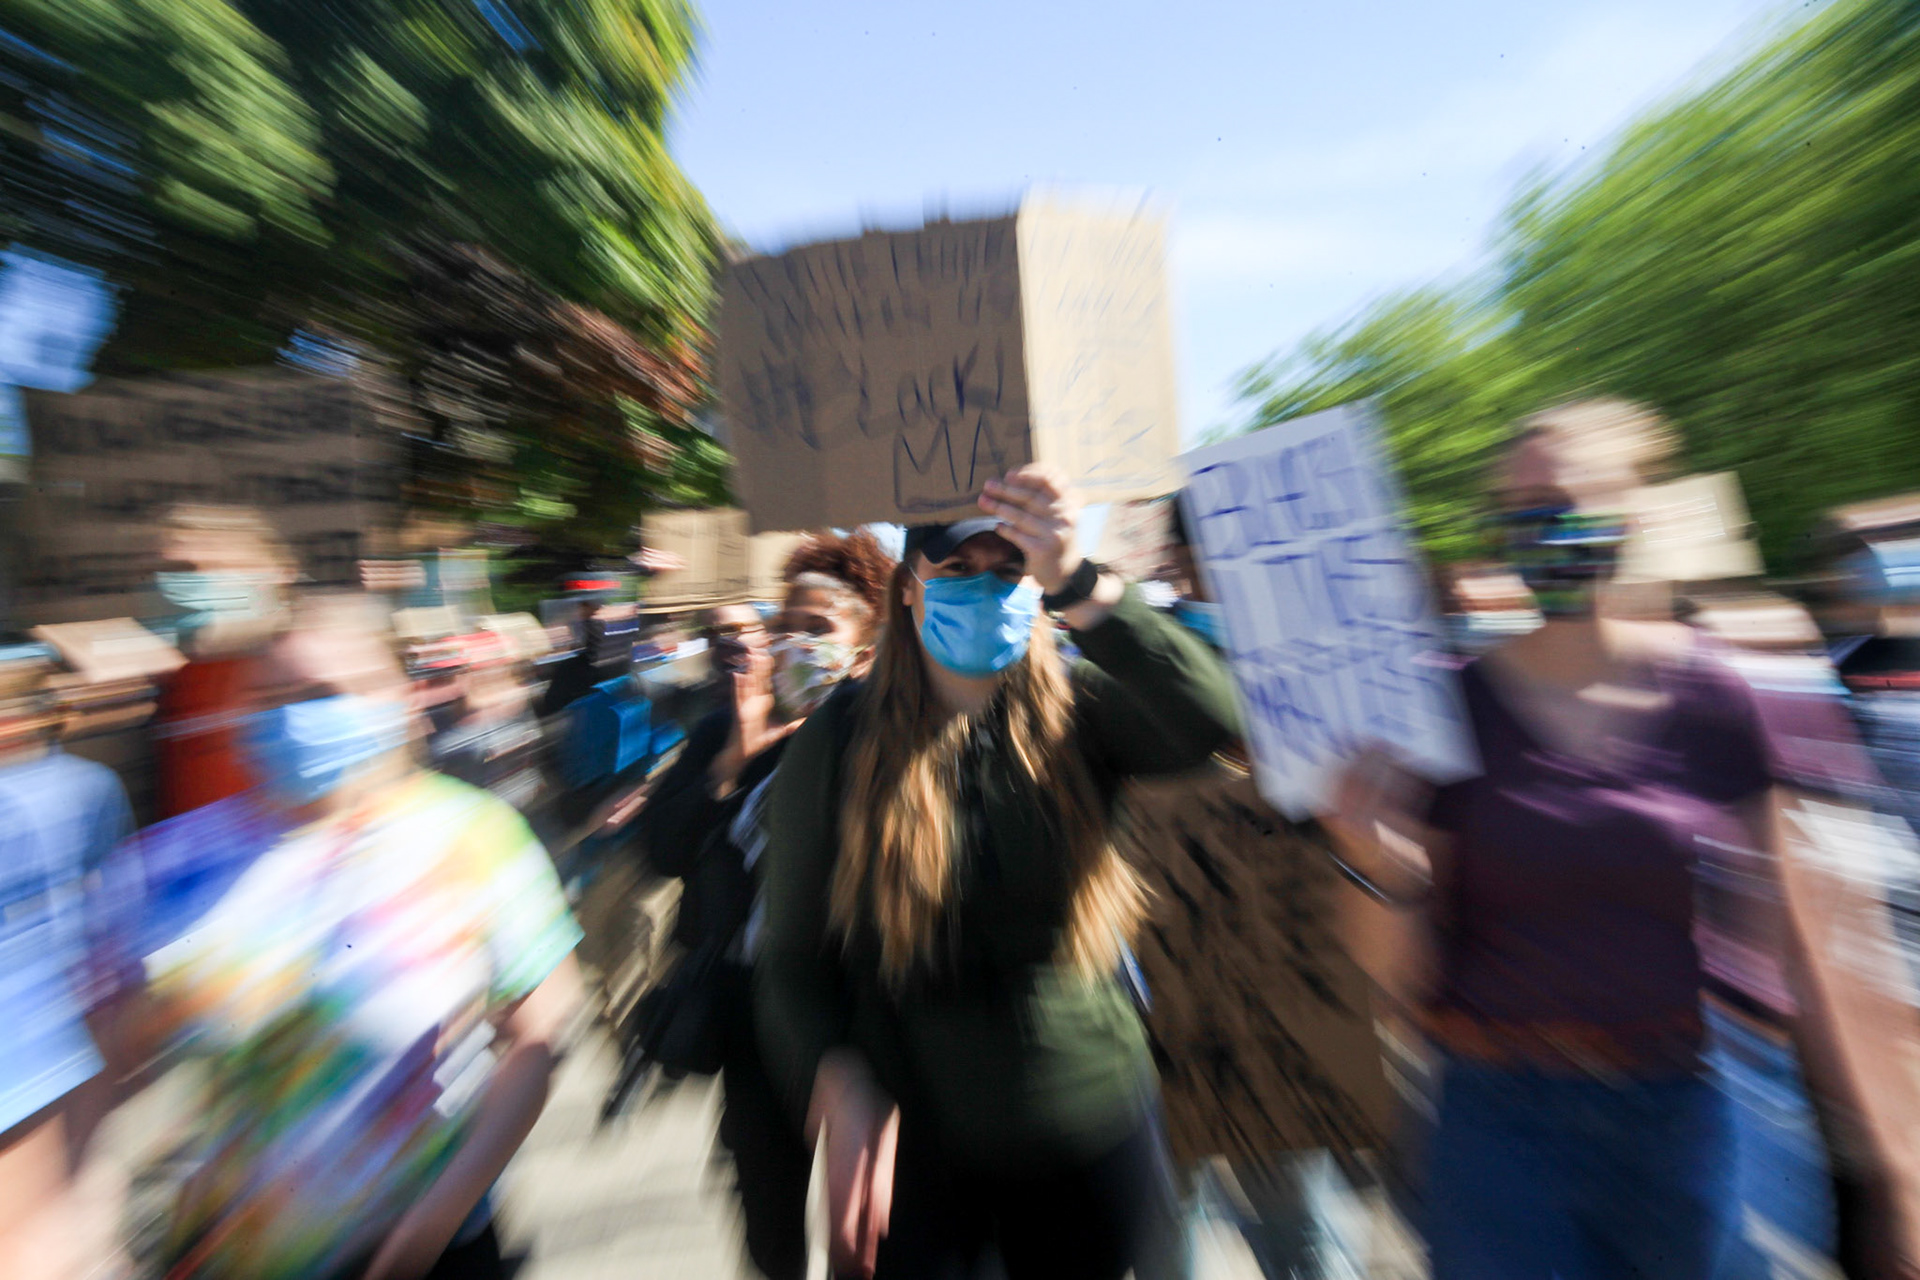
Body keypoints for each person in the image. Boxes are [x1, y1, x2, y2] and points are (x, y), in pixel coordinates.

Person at [1322, 403, 1920, 1279]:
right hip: (1497, 1123)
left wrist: (1900, 1169)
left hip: (1687, 1118)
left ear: (1632, 517)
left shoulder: (1728, 699)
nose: (1541, 527)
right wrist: (1373, 864)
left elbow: (1829, 947)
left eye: (1566, 500)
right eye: (1517, 505)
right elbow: (1397, 983)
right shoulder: (1444, 709)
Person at [754, 466, 1242, 1280]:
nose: (987, 587)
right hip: (923, 1161)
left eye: (1008, 569)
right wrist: (834, 1081)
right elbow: (789, 960)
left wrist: (1081, 582)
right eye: (958, 570)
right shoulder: (838, 741)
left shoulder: (1080, 709)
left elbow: (1209, 722)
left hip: (1094, 1137)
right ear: (910, 589)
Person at [82, 595, 585, 1280]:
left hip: (424, 1250)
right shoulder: (169, 867)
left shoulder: (472, 837)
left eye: (323, 693)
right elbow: (97, 1074)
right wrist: (89, 1227)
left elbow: (542, 1031)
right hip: (228, 1253)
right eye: (270, 695)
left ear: (397, 699)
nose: (293, 716)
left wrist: (427, 1230)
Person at [634, 531, 895, 1280]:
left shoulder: (882, 738)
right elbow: (663, 850)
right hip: (750, 1017)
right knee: (769, 1225)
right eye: (787, 627)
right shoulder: (726, 726)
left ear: (864, 650)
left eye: (820, 630)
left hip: (857, 1014)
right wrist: (731, 762)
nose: (796, 644)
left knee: (870, 1234)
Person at [0, 656, 132, 1279]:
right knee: (77, 1203)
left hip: (45, 1028)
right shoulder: (92, 783)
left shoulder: (85, 786)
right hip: (62, 1022)